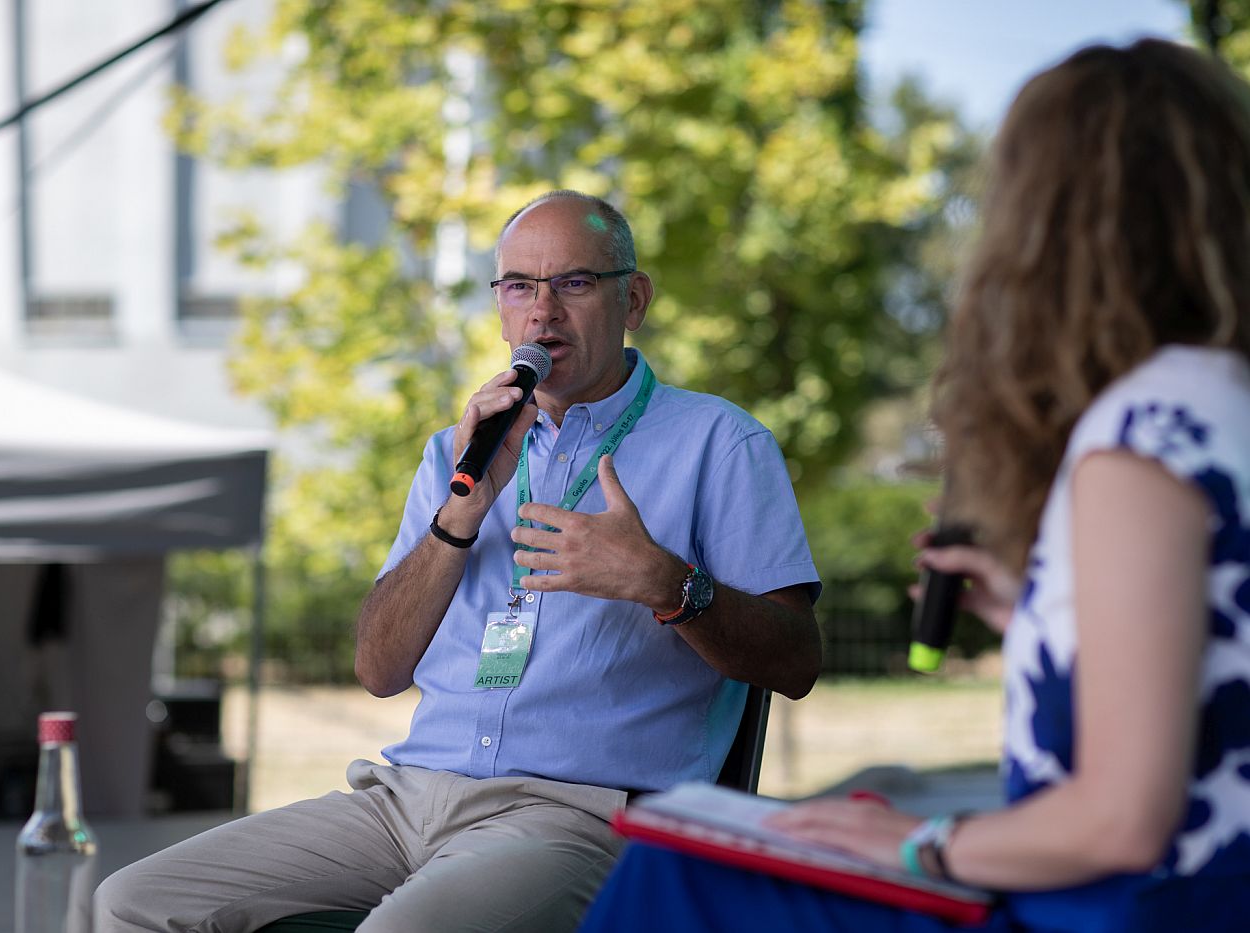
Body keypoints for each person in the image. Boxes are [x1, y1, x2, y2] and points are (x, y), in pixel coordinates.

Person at [578, 38, 1250, 933]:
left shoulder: (1137, 443)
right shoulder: (1219, 396)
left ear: (1048, 224)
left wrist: (916, 844)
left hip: (1122, 909)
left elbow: (1123, 821)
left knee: (672, 872)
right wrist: (1034, 610)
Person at [94, 190, 823, 933]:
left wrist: (667, 584)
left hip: (576, 815)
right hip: (404, 797)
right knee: (132, 901)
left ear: (632, 299)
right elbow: (379, 670)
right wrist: (458, 518)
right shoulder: (458, 452)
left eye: (573, 283)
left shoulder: (721, 443)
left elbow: (796, 661)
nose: (542, 312)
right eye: (518, 286)